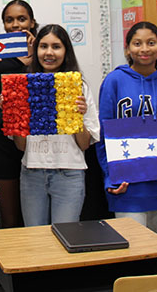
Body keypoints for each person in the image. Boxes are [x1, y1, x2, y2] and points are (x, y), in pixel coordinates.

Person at [95, 22, 157, 241]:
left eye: (151, 43)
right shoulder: (114, 81)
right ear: (127, 49)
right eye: (137, 43)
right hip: (127, 188)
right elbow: (103, 135)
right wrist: (110, 178)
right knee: (134, 252)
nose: (144, 49)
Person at [12, 24, 100, 226]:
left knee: (66, 235)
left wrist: (78, 116)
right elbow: (21, 146)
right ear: (36, 51)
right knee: (36, 238)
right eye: (43, 46)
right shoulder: (24, 86)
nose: (49, 53)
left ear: (66, 51)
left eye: (56, 46)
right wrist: (16, 114)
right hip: (32, 172)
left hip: (69, 173)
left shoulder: (80, 87)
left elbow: (84, 144)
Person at [0, 0, 37, 228]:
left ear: (32, 22)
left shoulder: (44, 54)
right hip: (2, 142)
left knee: (36, 216)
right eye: (9, 20)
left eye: (22, 19)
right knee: (10, 216)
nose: (15, 25)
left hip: (37, 141)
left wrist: (33, 58)